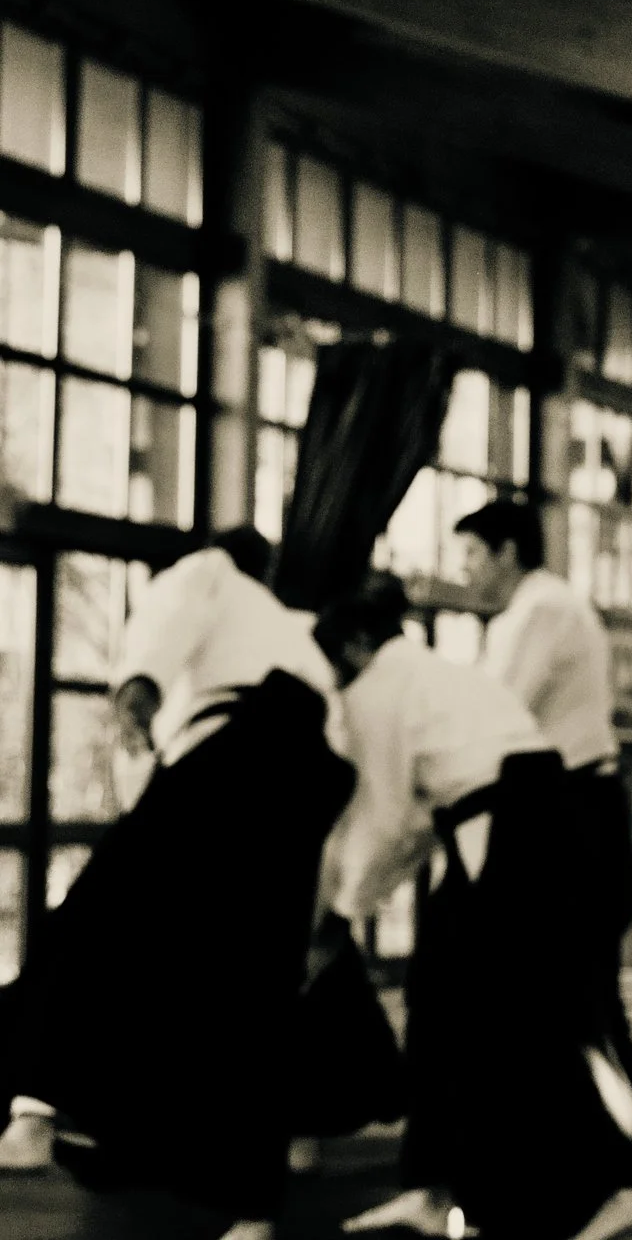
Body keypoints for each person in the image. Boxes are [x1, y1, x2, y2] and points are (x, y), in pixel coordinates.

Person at [0, 530, 354, 1240]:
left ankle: (31, 1109)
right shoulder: (291, 630)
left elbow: (177, 613)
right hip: (310, 775)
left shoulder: (209, 571)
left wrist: (141, 683)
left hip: (240, 753)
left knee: (88, 925)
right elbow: (337, 742)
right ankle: (253, 1208)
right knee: (245, 983)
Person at [320, 574, 632, 1240]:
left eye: (335, 660)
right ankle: (434, 1182)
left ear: (357, 644)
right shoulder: (434, 672)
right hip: (532, 813)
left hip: (514, 825)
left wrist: (341, 910)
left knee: (541, 1010)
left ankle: (627, 1182)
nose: (334, 678)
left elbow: (388, 815)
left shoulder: (377, 689)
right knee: (441, 995)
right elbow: (421, 814)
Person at [454, 500, 632, 1103]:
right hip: (571, 802)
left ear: (507, 551)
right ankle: (608, 1123)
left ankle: (614, 1129)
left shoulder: (542, 609)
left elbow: (500, 708)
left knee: (574, 974)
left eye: (471, 554)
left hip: (570, 807)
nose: (464, 571)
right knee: (573, 976)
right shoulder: (541, 607)